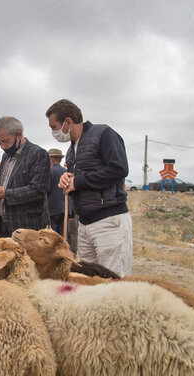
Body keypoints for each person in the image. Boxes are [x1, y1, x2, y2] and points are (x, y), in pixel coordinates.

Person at [46, 99, 132, 277]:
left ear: (68, 121)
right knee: (88, 279)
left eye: (54, 126)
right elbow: (80, 178)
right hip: (84, 222)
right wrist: (67, 178)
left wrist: (78, 182)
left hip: (108, 220)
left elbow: (119, 168)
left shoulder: (103, 134)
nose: (53, 132)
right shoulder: (71, 151)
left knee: (113, 279)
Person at [0, 116, 50, 237]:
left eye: (5, 141)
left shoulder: (38, 154)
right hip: (3, 223)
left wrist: (5, 194)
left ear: (19, 134)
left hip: (28, 226)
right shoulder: (6, 156)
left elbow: (38, 189)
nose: (2, 147)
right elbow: (0, 181)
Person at [47, 148, 73, 238]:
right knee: (63, 238)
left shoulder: (50, 172)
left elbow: (47, 190)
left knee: (52, 238)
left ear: (52, 159)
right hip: (65, 209)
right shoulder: (67, 172)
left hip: (52, 209)